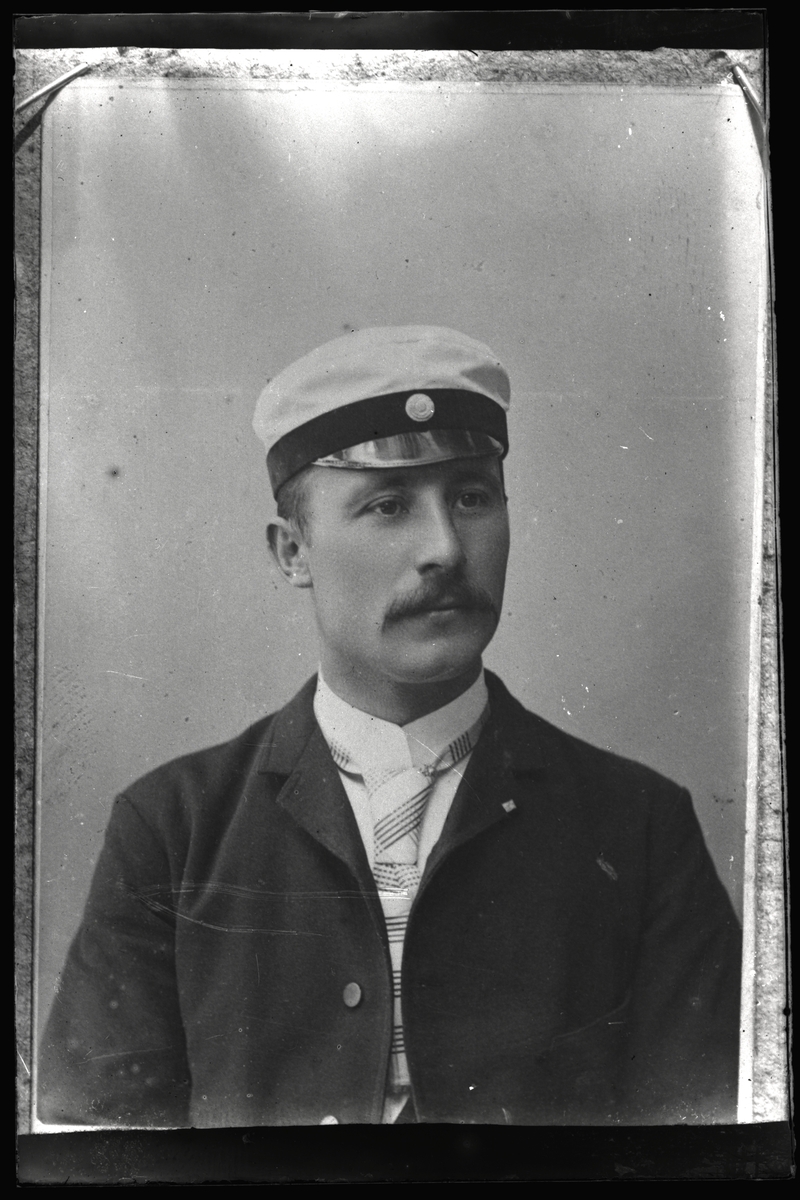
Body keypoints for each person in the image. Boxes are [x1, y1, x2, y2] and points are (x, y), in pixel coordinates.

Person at [38, 326, 741, 1128]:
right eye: (388, 506)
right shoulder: (171, 830)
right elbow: (101, 1149)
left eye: (472, 497)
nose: (445, 549)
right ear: (292, 552)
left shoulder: (639, 828)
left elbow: (700, 1147)